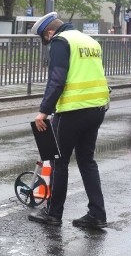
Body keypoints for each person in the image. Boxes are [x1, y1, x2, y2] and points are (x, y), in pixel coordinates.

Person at [27, 12, 110, 229]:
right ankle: (97, 214)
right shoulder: (90, 41)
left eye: (45, 39)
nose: (47, 44)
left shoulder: (60, 41)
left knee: (58, 161)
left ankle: (53, 214)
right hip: (97, 108)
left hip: (73, 111)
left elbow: (57, 80)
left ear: (50, 32)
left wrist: (43, 112)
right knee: (87, 161)